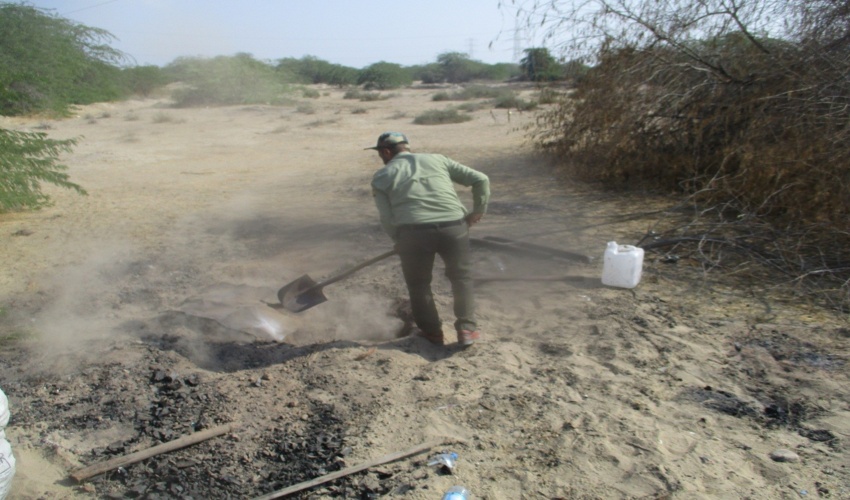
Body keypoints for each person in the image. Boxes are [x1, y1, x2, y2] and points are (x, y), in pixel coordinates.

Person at [367, 132, 490, 347]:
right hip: (454, 227)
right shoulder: (437, 159)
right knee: (461, 277)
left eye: (380, 153)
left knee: (419, 285)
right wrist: (478, 211)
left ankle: (432, 333)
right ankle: (467, 329)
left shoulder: (381, 176)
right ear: (406, 147)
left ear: (386, 152)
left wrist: (399, 239)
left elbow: (387, 218)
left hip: (413, 234)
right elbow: (481, 179)